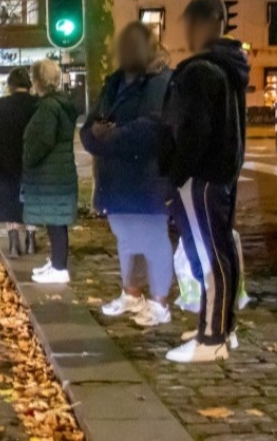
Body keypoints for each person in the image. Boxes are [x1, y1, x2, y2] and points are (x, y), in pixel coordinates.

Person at [159, 0, 249, 363]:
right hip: (220, 175)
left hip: (200, 177)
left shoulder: (199, 72)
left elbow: (192, 131)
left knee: (210, 258)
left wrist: (173, 175)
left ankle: (211, 339)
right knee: (221, 252)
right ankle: (220, 328)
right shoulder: (229, 68)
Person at [81, 22, 173, 326]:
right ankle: (131, 294)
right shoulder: (114, 82)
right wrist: (93, 134)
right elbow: (90, 125)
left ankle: (160, 303)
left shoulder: (160, 81)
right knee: (127, 238)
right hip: (115, 179)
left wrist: (111, 137)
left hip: (147, 177)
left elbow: (154, 127)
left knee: (153, 239)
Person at [23, 59, 79, 284]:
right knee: (56, 220)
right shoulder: (61, 103)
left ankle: (59, 267)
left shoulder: (48, 106)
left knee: (55, 221)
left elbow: (44, 140)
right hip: (60, 172)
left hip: (51, 174)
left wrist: (29, 157)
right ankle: (56, 262)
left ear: (39, 80)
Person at [0, 68, 39, 257]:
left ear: (10, 86)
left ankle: (14, 242)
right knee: (31, 199)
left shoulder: (1, 105)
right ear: (28, 85)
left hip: (5, 159)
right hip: (31, 158)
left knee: (9, 200)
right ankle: (31, 239)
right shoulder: (37, 105)